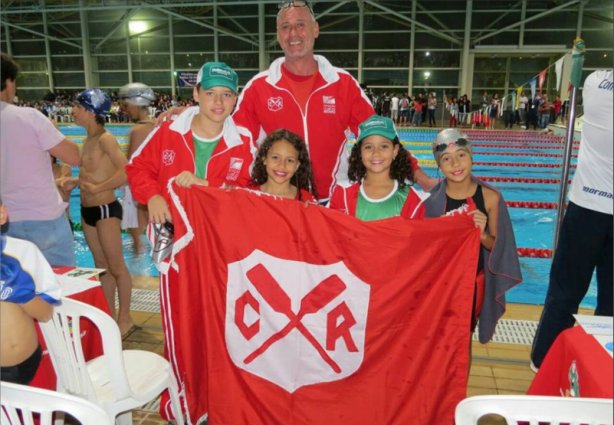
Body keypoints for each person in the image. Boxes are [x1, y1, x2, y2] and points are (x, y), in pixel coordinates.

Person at [160, 1, 436, 198]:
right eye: (286, 27)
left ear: (315, 29)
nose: (293, 34)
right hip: (280, 203)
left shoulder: (342, 85)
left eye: (300, 25)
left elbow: (379, 136)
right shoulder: (260, 87)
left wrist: (423, 180)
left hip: (330, 201)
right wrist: (188, 115)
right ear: (278, 36)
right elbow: (232, 136)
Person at [126, 61, 254, 421]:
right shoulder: (169, 130)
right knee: (176, 322)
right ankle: (181, 402)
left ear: (235, 100)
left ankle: (216, 397)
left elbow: (250, 196)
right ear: (195, 94)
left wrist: (209, 188)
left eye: (226, 95)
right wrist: (151, 196)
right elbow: (137, 167)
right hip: (170, 240)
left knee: (216, 322)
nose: (218, 102)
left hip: (218, 247)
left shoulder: (243, 142)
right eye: (210, 93)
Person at [530, 69, 613, 369]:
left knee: (564, 291)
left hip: (586, 208)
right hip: (591, 209)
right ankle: (604, 366)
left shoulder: (595, 82)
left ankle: (544, 361)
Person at [424, 128, 522, 343]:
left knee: (462, 340)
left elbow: (498, 247)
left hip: (470, 284)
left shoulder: (490, 198)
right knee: (434, 341)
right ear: (439, 166)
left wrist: (482, 234)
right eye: (446, 159)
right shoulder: (429, 202)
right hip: (439, 285)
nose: (455, 164)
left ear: (471, 156)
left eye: (461, 155)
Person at [0, 53, 81, 266]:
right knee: (62, 289)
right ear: (8, 82)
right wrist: (53, 129)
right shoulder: (29, 117)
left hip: (5, 224)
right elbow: (74, 156)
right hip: (44, 220)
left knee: (16, 293)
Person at [72, 88, 135, 336]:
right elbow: (91, 173)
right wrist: (75, 183)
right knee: (101, 266)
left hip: (106, 208)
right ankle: (109, 317)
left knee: (117, 266)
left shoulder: (106, 139)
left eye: (77, 107)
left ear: (90, 111)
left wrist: (98, 187)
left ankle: (126, 318)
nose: (74, 111)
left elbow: (127, 170)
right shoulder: (87, 140)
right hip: (86, 210)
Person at [1, 204, 61, 385]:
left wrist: (19, 292)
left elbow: (46, 314)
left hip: (27, 362)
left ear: (1, 214)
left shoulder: (24, 252)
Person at [328, 115, 427, 221]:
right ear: (360, 152)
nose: (376, 153)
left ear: (395, 150)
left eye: (384, 146)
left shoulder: (412, 200)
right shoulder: (342, 195)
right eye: (368, 147)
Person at [118, 82, 157, 253]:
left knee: (137, 240)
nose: (125, 110)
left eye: (126, 105)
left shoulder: (138, 130)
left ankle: (139, 263)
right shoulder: (158, 125)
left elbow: (130, 166)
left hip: (139, 188)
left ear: (136, 104)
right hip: (156, 186)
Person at [250, 128, 317, 202]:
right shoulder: (249, 196)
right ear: (264, 159)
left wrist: (311, 210)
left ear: (297, 165)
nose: (282, 165)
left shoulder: (306, 200)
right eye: (275, 157)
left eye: (289, 160)